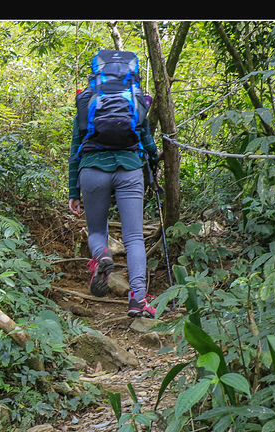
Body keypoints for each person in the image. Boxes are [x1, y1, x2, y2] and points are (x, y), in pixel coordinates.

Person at [68, 63, 159, 319]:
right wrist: (154, 158)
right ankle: (138, 300)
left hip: (92, 170)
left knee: (97, 231)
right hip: (129, 169)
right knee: (134, 238)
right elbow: (146, 139)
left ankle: (102, 255)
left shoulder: (87, 100)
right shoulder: (135, 98)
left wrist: (72, 191)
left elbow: (75, 147)